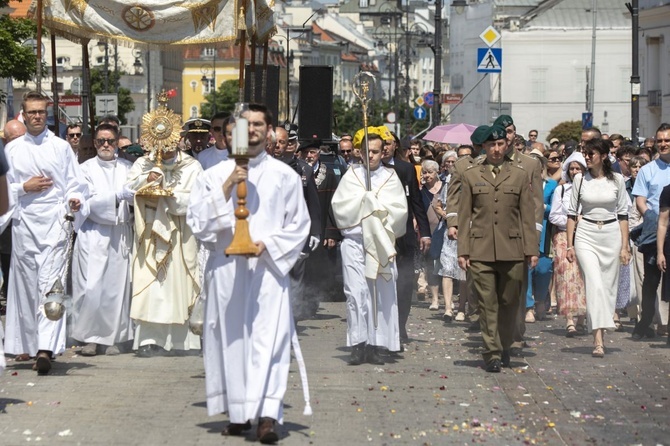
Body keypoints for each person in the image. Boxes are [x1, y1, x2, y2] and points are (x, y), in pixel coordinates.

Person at [187, 103, 311, 443]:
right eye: (246, 125)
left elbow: (299, 224)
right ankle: (239, 411)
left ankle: (269, 414)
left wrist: (268, 244)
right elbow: (197, 223)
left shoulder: (284, 176)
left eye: (259, 124)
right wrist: (228, 185)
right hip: (227, 268)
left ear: (269, 131)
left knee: (269, 340)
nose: (253, 130)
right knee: (231, 339)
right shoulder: (213, 175)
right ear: (235, 131)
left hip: (267, 270)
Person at [4, 91, 89, 375]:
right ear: (23, 114)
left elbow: (75, 183)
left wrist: (75, 200)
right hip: (25, 223)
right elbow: (3, 191)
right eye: (32, 112)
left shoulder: (61, 147)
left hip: (55, 223)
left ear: (47, 113)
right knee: (28, 289)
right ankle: (31, 343)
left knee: (51, 287)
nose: (37, 116)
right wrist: (22, 188)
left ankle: (46, 349)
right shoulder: (12, 150)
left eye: (42, 112)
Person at [457, 124, 539, 373]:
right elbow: (463, 215)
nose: (496, 149)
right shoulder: (471, 174)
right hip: (480, 249)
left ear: (507, 145)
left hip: (512, 249)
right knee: (487, 303)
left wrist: (531, 249)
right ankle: (491, 352)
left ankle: (504, 345)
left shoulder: (519, 174)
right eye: (491, 144)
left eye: (500, 144)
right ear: (484, 146)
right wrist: (463, 250)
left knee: (509, 302)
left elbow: (527, 214)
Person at [126, 107, 203, 357]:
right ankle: (150, 339)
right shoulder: (143, 163)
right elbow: (128, 193)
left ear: (178, 138)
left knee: (178, 286)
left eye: (170, 141)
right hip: (150, 232)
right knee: (152, 286)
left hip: (180, 236)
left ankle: (183, 341)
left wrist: (170, 197)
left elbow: (198, 200)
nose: (166, 146)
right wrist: (145, 182)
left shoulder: (192, 167)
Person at [332, 132, 408, 365]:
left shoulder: (390, 177)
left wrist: (374, 204)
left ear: (383, 151)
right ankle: (357, 343)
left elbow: (399, 210)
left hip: (379, 245)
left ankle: (377, 343)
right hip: (355, 242)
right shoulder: (351, 175)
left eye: (375, 151)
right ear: (360, 152)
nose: (371, 156)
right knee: (356, 294)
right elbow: (339, 206)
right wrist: (365, 201)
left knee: (379, 296)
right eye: (367, 152)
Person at [70, 124, 135, 356]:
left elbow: (135, 195)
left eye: (109, 140)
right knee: (91, 286)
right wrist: (117, 197)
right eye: (100, 141)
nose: (105, 145)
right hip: (94, 233)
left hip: (119, 233)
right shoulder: (84, 169)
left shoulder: (129, 168)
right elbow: (87, 201)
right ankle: (90, 338)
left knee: (116, 288)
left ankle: (115, 337)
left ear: (117, 142)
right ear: (95, 143)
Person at [567, 138, 631, 357]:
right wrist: (569, 245)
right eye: (585, 153)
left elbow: (623, 214)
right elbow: (571, 214)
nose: (586, 157)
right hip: (586, 235)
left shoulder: (618, 181)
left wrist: (625, 246)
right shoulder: (579, 180)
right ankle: (598, 340)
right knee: (594, 284)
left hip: (611, 234)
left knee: (607, 287)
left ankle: (601, 330)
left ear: (603, 156)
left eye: (591, 153)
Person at [631, 123, 670, 340]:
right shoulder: (648, 170)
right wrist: (651, 216)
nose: (663, 144)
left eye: (667, 140)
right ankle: (645, 322)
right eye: (660, 140)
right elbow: (640, 200)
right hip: (655, 229)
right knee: (651, 279)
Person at [549, 152, 588, 336]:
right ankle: (569, 319)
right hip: (564, 235)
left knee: (583, 276)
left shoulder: (589, 188)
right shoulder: (561, 190)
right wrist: (572, 220)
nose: (574, 171)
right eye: (571, 168)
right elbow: (554, 216)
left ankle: (582, 318)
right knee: (566, 277)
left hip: (587, 236)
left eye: (578, 168)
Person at [434, 150, 467, 321]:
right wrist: (448, 217)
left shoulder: (471, 181)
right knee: (447, 269)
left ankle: (461, 307)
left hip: (467, 230)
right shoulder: (447, 183)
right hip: (450, 230)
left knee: (463, 272)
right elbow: (438, 204)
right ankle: (448, 308)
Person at [420, 160, 447, 316]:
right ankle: (435, 299)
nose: (427, 174)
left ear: (437, 172)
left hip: (444, 229)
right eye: (424, 172)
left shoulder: (445, 187)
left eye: (430, 171)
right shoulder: (421, 190)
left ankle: (448, 299)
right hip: (428, 231)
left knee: (446, 265)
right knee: (431, 265)